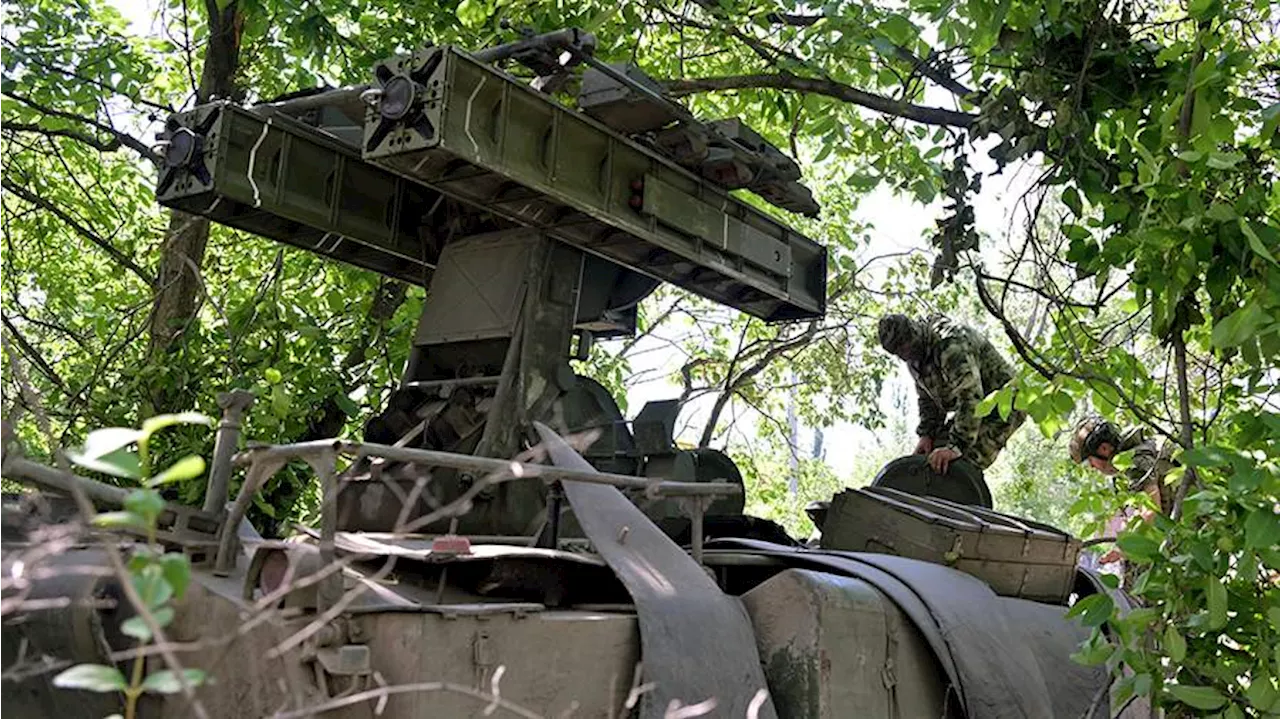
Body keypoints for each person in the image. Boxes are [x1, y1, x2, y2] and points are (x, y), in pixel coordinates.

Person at [877, 313, 1026, 474]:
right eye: (898, 352)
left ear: (914, 333)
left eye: (905, 347)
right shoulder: (914, 360)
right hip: (976, 407)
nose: (904, 354)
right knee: (931, 458)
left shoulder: (950, 346)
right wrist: (927, 434)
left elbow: (970, 396)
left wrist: (956, 446)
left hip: (1006, 403)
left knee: (958, 465)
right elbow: (928, 399)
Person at [1068, 416, 1177, 576]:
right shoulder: (1146, 447)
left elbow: (1151, 512)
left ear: (1104, 449)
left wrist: (1122, 549)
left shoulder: (1134, 461)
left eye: (1090, 461)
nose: (1092, 467)